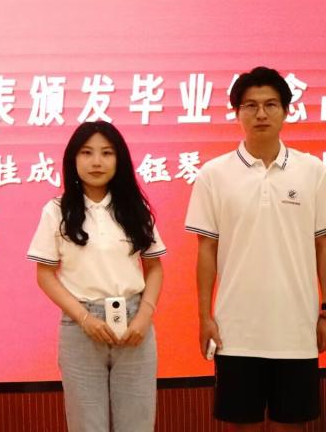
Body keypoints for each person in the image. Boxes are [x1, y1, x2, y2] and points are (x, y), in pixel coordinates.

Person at [185, 66, 326, 430]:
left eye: (270, 104)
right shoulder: (213, 175)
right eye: (250, 105)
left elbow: (322, 246)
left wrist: (325, 312)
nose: (261, 113)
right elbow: (206, 251)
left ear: (286, 111)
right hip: (236, 331)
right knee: (241, 424)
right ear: (237, 112)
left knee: (292, 424)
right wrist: (204, 316)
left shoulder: (313, 172)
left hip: (296, 329)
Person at [27, 121, 165, 432]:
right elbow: (45, 274)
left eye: (107, 153)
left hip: (135, 325)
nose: (96, 162)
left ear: (119, 160)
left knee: (137, 424)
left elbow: (154, 267)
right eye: (87, 153)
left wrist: (144, 316)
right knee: (87, 425)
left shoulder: (136, 209)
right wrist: (85, 319)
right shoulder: (57, 210)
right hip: (81, 326)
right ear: (73, 159)